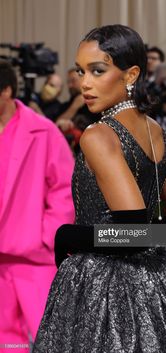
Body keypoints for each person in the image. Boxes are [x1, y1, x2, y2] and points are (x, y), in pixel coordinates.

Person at [32, 25, 166, 353]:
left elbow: (130, 232)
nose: (85, 82)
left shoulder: (98, 135)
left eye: (98, 71)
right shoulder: (158, 133)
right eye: (80, 71)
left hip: (105, 291)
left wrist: (70, 236)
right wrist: (151, 233)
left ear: (131, 75)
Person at [0, 60, 75, 353]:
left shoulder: (43, 131)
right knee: (8, 342)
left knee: (50, 336)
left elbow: (65, 188)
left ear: (6, 91)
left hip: (34, 255)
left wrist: (48, 235)